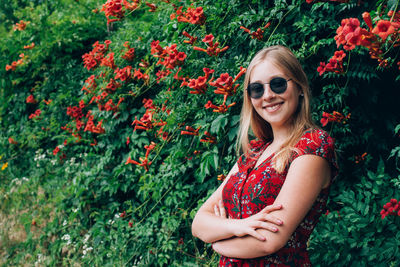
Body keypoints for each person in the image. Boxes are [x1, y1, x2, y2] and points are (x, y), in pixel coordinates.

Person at [191, 45, 338, 266]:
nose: (268, 95)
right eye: (257, 89)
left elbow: (269, 240)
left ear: (299, 87)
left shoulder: (313, 146)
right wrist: (240, 226)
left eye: (278, 84)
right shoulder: (253, 153)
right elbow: (199, 223)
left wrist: (217, 243)